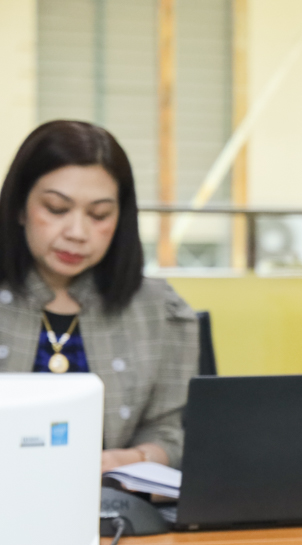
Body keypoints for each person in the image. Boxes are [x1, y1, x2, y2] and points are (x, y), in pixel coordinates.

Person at [0, 121, 199, 471]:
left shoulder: (159, 311)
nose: (77, 233)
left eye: (99, 215)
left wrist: (131, 460)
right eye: (56, 208)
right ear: (19, 207)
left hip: (108, 501)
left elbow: (174, 434)